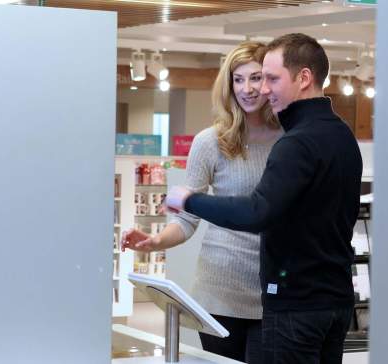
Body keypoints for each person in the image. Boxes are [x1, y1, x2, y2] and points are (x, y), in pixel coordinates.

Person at [164, 33, 363, 364]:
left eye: (270, 78)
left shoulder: (296, 143)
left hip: (295, 305)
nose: (262, 89)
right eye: (244, 79)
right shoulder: (341, 134)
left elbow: (257, 212)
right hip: (334, 301)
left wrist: (189, 200)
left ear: (303, 78)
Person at [121, 41, 282, 363]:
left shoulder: (289, 140)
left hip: (276, 289)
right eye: (238, 80)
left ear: (270, 81)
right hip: (219, 290)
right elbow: (185, 215)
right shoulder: (211, 141)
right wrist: (156, 241)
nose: (247, 89)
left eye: (254, 78)